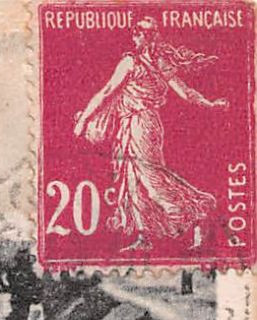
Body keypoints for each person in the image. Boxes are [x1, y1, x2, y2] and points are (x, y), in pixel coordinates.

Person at [73, 17, 226, 252]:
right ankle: (144, 236)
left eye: (139, 32)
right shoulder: (147, 61)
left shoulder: (135, 63)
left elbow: (107, 92)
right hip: (133, 124)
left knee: (150, 177)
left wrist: (83, 119)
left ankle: (196, 215)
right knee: (133, 180)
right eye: (135, 32)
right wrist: (209, 103)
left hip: (141, 124)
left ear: (148, 36)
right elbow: (183, 91)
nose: (135, 36)